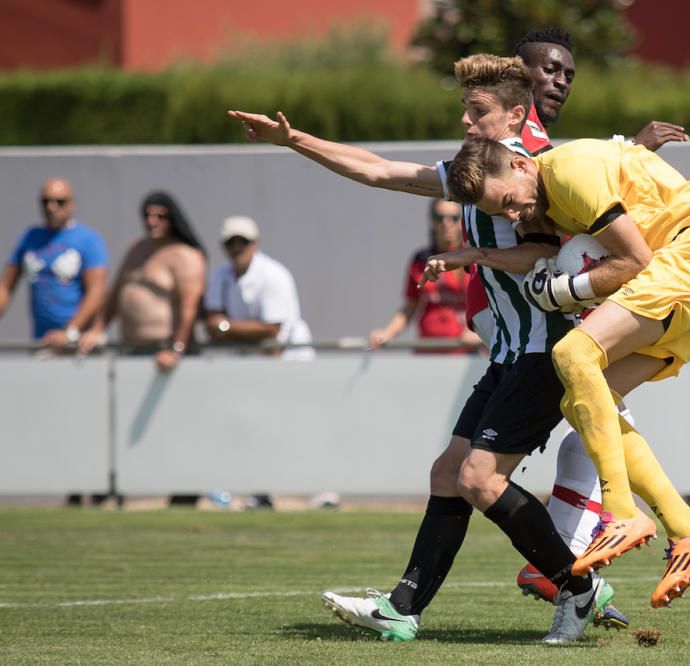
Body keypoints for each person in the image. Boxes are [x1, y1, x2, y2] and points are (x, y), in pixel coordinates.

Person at [230, 54, 617, 645]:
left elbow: (547, 256)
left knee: (481, 480)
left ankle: (575, 584)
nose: (465, 119)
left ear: (516, 115)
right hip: (512, 354)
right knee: (448, 473)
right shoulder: (475, 171)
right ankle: (403, 608)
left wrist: (475, 257)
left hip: (545, 352)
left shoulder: (531, 176)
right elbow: (379, 170)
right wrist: (294, 139)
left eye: (477, 110)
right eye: (464, 107)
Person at [445, 135, 690, 608]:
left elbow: (634, 261)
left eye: (507, 202)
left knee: (571, 355)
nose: (510, 216)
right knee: (584, 398)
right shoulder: (550, 190)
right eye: (498, 213)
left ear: (523, 165)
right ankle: (689, 528)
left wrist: (565, 291)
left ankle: (621, 513)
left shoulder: (567, 172)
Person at [79, 191, 205, 373]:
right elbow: (115, 294)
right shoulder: (137, 248)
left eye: (160, 216)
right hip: (133, 350)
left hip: (165, 351)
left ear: (172, 219)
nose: (152, 222)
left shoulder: (185, 256)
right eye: (147, 215)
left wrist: (176, 350)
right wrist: (97, 329)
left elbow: (189, 307)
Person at [0, 178, 108, 351]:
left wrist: (69, 332)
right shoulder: (30, 237)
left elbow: (97, 291)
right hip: (42, 342)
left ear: (72, 204)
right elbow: (5, 287)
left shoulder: (88, 239)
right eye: (46, 202)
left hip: (78, 344)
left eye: (60, 202)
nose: (52, 207)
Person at [369, 199, 479, 353]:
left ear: (462, 221)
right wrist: (387, 333)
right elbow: (410, 307)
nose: (446, 223)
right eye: (439, 217)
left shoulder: (473, 256)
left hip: (466, 352)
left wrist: (480, 334)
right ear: (432, 221)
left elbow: (493, 306)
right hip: (428, 351)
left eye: (454, 218)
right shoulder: (420, 259)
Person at [204, 215, 315, 361]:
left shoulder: (273, 274)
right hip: (251, 358)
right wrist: (247, 330)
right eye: (231, 242)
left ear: (255, 243)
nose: (237, 248)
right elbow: (212, 324)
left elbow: (271, 330)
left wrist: (225, 327)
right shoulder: (219, 276)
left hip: (290, 357)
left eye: (243, 242)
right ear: (223, 246)